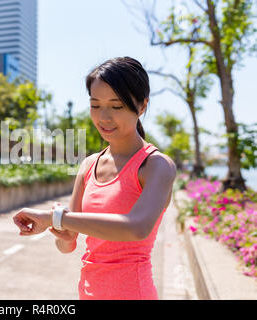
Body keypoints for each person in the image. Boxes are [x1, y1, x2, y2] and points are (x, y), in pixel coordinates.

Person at [12, 56, 177, 300]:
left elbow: (137, 227)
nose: (104, 117)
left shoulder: (156, 165)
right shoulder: (89, 165)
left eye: (116, 106)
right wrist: (63, 231)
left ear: (141, 106)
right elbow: (67, 245)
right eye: (95, 105)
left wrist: (57, 218)